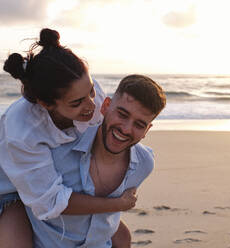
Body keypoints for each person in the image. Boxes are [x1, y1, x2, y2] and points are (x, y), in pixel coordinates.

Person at [0, 28, 139, 248]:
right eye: (77, 103)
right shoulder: (22, 130)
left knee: (122, 238)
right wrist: (115, 204)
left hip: (58, 179)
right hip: (10, 193)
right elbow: (49, 202)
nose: (92, 105)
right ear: (46, 104)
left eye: (91, 91)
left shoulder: (87, 96)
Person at [26, 74, 166, 247]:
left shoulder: (144, 164)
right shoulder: (58, 150)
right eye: (122, 114)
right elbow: (32, 199)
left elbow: (105, 219)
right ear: (106, 106)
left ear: (147, 130)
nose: (126, 129)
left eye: (139, 124)